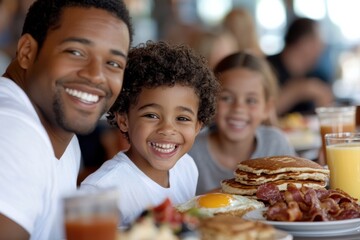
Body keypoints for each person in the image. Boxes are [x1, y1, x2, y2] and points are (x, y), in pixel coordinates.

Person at [0, 0, 133, 239]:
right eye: (76, 52)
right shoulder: (12, 131)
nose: (96, 76)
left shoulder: (60, 131)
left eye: (113, 63)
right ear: (27, 52)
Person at [80, 41, 219, 227]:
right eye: (151, 115)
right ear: (123, 120)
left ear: (197, 127)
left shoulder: (186, 167)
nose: (167, 129)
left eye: (183, 118)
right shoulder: (101, 192)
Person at [189, 51, 296, 195]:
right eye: (226, 98)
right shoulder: (191, 150)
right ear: (211, 101)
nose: (238, 109)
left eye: (251, 100)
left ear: (267, 108)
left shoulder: (275, 145)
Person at [267, 17, 334, 116]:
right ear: (303, 42)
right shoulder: (267, 68)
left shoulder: (318, 74)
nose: (322, 48)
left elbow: (329, 112)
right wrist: (298, 90)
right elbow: (263, 113)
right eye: (318, 42)